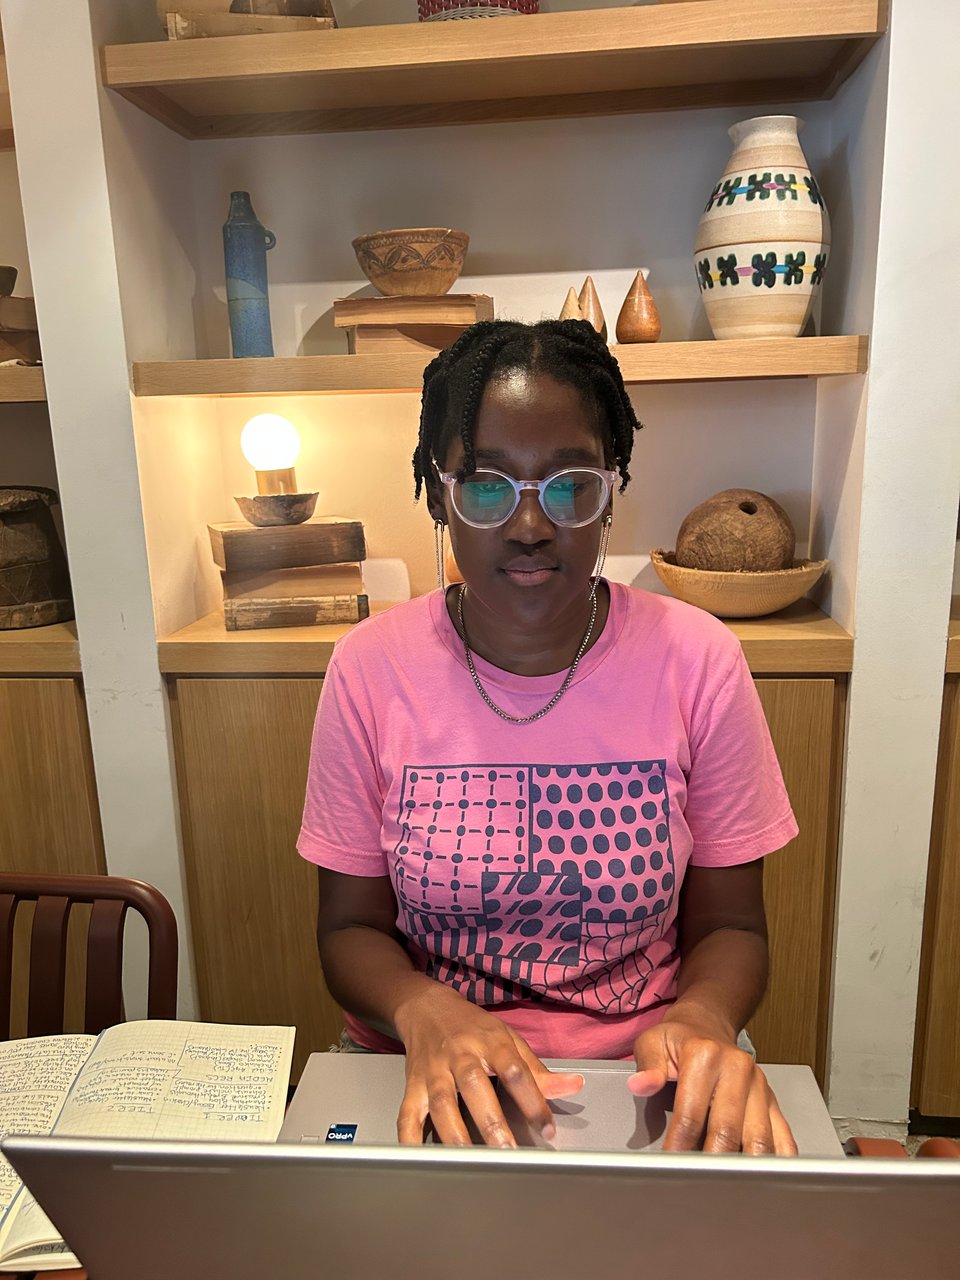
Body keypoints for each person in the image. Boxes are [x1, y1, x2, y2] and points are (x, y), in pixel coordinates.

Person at [298, 318, 799, 1155]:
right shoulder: (369, 668)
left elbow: (734, 928)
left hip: (647, 1078)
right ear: (437, 494)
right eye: (487, 485)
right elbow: (348, 928)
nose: (530, 524)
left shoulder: (698, 660)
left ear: (611, 489)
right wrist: (425, 1008)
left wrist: (704, 1019)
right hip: (422, 1068)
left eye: (568, 484)